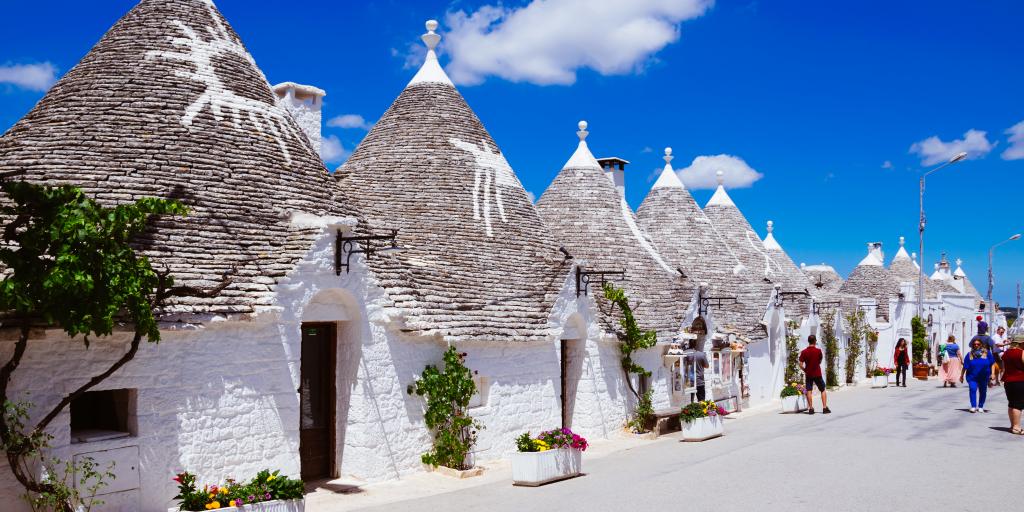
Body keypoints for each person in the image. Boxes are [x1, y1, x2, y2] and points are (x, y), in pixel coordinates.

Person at [960, 338, 996, 413]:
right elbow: (965, 366)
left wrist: (992, 373)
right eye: (975, 344)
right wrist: (961, 376)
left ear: (981, 344)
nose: (976, 345)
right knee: (973, 389)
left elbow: (992, 363)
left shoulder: (987, 353)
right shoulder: (969, 354)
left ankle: (980, 406)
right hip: (972, 376)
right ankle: (973, 406)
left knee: (983, 391)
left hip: (984, 376)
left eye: (978, 344)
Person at [799, 335, 830, 414]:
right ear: (815, 341)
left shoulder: (804, 352)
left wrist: (805, 370)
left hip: (808, 374)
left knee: (809, 390)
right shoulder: (818, 351)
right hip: (817, 373)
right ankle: (824, 408)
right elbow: (819, 360)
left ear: (808, 341)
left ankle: (811, 408)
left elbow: (800, 364)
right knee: (822, 389)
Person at [1001, 335, 1024, 435]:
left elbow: (1004, 367)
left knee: (1012, 404)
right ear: (1021, 343)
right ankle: (1016, 427)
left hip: (1008, 381)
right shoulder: (1021, 353)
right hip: (1020, 381)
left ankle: (1013, 425)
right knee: (1018, 405)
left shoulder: (1006, 353)